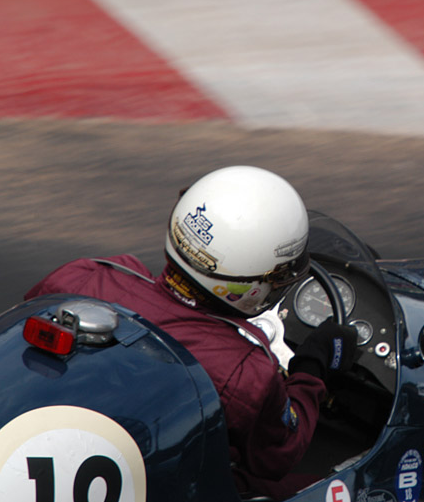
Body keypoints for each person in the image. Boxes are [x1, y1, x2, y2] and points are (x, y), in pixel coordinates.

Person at [25, 165, 357, 499]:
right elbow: (279, 454)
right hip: (159, 480)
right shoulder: (243, 372)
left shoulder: (80, 278)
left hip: (42, 440)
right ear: (253, 285)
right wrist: (313, 367)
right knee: (335, 487)